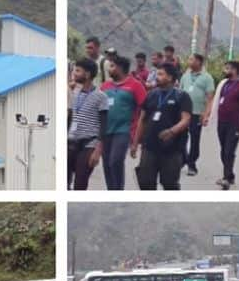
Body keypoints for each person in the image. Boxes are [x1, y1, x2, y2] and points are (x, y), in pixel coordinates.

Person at [130, 63, 192, 190]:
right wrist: (135, 143)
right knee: (145, 182)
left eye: (160, 74)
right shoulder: (151, 95)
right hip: (150, 147)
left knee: (169, 183)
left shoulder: (182, 96)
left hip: (172, 149)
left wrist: (172, 131)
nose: (156, 77)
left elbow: (186, 119)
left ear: (170, 77)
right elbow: (142, 120)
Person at [206, 60, 239, 190]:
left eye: (227, 68)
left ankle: (226, 179)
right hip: (221, 121)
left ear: (234, 70)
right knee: (224, 151)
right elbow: (217, 100)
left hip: (234, 123)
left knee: (229, 151)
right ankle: (230, 175)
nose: (224, 71)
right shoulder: (224, 84)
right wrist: (208, 115)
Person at [101, 55, 147, 190]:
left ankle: (118, 190)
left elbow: (145, 108)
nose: (109, 69)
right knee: (106, 164)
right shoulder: (105, 86)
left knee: (115, 161)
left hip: (124, 130)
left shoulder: (135, 85)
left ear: (120, 68)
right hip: (106, 131)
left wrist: (138, 138)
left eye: (112, 66)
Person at [68, 58, 109, 190]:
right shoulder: (74, 92)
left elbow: (104, 125)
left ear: (87, 74)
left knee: (80, 182)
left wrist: (98, 151)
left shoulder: (101, 96)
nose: (74, 73)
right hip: (70, 141)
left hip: (89, 143)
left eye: (78, 71)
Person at [179, 54, 215, 176]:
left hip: (197, 113)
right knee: (180, 138)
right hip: (183, 113)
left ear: (199, 62)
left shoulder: (207, 77)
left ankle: (192, 164)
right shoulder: (185, 75)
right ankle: (184, 159)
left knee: (195, 140)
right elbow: (180, 92)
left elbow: (210, 98)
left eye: (191, 59)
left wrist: (206, 114)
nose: (189, 61)